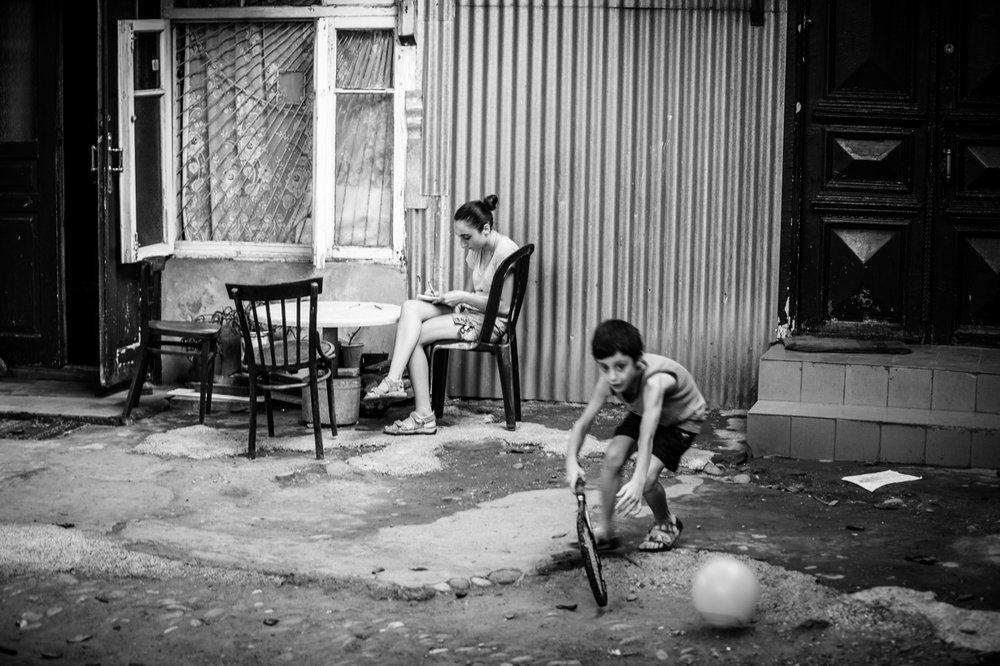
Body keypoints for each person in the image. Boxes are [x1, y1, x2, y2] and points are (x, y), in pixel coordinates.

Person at [363, 194, 520, 435]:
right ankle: (394, 379)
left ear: (486, 229)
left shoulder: (506, 251)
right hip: (474, 312)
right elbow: (478, 294)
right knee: (411, 307)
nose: (463, 244)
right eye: (460, 238)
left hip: (492, 323)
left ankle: (424, 415)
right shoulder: (477, 249)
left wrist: (462, 297)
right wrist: (447, 298)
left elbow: (504, 308)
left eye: (467, 237)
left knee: (414, 338)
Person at [565, 319, 706, 552]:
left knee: (649, 478)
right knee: (613, 456)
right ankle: (606, 532)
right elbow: (582, 424)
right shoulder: (611, 378)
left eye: (620, 367)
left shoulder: (655, 382)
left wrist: (638, 481)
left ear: (637, 362)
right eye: (604, 367)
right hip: (645, 412)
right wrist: (571, 460)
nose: (612, 376)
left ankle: (666, 522)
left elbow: (647, 436)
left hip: (682, 419)